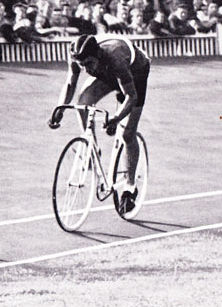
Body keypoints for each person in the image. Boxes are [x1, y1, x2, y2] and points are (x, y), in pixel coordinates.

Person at [48, 35, 151, 214]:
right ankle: (92, 147)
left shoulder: (115, 58)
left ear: (98, 55)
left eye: (89, 64)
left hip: (135, 74)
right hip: (107, 73)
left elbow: (131, 96)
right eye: (82, 66)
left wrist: (116, 118)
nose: (86, 70)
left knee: (127, 133)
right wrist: (59, 109)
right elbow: (70, 83)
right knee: (82, 103)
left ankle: (130, 187)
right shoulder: (76, 56)